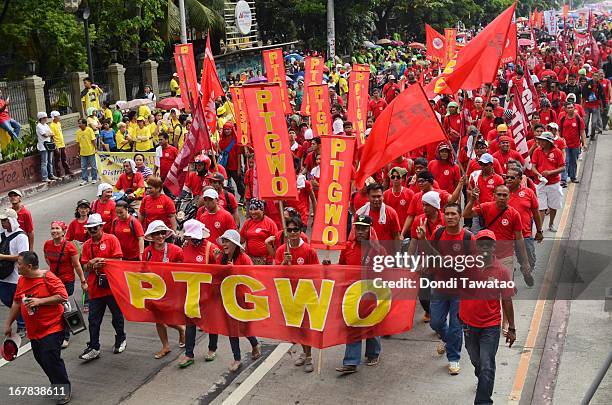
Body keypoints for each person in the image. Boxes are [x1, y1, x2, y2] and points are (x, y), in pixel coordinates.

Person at [3, 252, 71, 405]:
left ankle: (63, 390)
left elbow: (62, 296)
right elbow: (17, 303)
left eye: (19, 263)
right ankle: (56, 384)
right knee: (41, 360)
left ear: (29, 266)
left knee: (51, 359)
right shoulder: (21, 280)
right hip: (34, 331)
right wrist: (8, 323)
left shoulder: (48, 277)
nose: (17, 266)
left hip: (52, 327)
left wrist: (40, 301)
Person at [460, 230, 516, 405]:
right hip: (468, 324)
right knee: (475, 359)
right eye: (481, 244)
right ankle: (482, 378)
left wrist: (512, 328)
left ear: (494, 247)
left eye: (488, 244)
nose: (485, 247)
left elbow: (507, 300)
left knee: (487, 365)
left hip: (490, 326)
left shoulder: (502, 272)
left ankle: (483, 401)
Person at [336, 215, 384, 374]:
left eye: (364, 228)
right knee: (353, 325)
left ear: (370, 229)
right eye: (358, 228)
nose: (360, 231)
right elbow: (341, 268)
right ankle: (351, 362)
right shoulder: (347, 247)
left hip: (371, 295)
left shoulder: (378, 250)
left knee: (371, 325)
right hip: (352, 295)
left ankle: (373, 353)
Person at [464, 184, 533, 287]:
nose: (502, 197)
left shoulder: (514, 214)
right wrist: (472, 200)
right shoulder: (486, 206)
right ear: (494, 195)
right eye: (499, 194)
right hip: (488, 257)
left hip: (506, 257)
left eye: (505, 195)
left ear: (509, 196)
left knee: (505, 290)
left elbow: (519, 238)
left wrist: (525, 261)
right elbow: (466, 214)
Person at [274, 216, 319, 373]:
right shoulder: (281, 251)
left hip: (304, 293)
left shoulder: (309, 250)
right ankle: (304, 352)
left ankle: (309, 357)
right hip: (288, 294)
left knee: (305, 327)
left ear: (301, 232)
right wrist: (283, 263)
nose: (292, 233)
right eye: (289, 230)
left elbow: (316, 272)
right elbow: (276, 273)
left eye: (295, 230)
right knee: (297, 327)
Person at [79, 213, 126, 361]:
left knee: (117, 316)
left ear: (101, 227)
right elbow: (85, 266)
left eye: (95, 228)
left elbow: (119, 260)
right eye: (90, 228)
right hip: (95, 288)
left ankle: (120, 338)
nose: (92, 231)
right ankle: (94, 346)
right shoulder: (87, 245)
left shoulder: (112, 239)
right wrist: (92, 264)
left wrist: (102, 261)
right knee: (93, 319)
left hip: (112, 287)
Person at [215, 229, 261, 372]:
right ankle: (237, 358)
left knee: (244, 326)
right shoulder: (220, 258)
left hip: (242, 298)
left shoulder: (244, 259)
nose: (224, 244)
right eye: (223, 241)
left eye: (227, 241)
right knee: (231, 329)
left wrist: (234, 271)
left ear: (234, 244)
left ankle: (254, 343)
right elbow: (216, 276)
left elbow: (251, 278)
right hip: (227, 298)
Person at [177, 219, 220, 368]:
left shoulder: (211, 248)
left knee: (211, 323)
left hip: (208, 293)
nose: (192, 240)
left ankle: (212, 349)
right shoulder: (185, 247)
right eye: (190, 237)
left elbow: (221, 268)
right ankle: (189, 354)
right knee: (190, 324)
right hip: (191, 292)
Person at [143, 220, 185, 359]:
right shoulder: (148, 252)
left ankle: (181, 329)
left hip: (171, 291)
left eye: (162, 233)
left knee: (167, 317)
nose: (160, 236)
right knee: (158, 319)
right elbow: (144, 270)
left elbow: (184, 270)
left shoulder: (176, 250)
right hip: (155, 290)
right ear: (152, 236)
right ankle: (165, 346)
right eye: (156, 234)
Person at [44, 221, 87, 348]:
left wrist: (83, 281)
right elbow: (47, 258)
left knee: (64, 308)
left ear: (63, 231)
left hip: (67, 281)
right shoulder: (47, 244)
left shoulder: (69, 246)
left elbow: (77, 265)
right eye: (52, 228)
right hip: (53, 281)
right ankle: (57, 331)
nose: (54, 231)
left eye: (57, 228)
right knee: (55, 308)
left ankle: (66, 336)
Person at [506, 166, 543, 276]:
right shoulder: (502, 193)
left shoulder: (528, 193)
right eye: (507, 177)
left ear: (520, 178)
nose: (508, 179)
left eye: (512, 178)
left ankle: (527, 270)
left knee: (529, 259)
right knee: (508, 263)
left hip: (525, 234)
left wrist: (539, 231)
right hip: (507, 235)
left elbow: (536, 213)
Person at [0, 208, 29, 336]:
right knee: (6, 299)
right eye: (1, 221)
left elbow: (22, 256)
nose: (2, 223)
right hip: (3, 274)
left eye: (5, 220)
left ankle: (22, 325)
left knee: (17, 301)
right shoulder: (2, 234)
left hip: (16, 276)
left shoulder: (21, 236)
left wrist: (3, 257)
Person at [530, 132, 565, 232]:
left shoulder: (557, 152)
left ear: (548, 142)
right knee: (541, 207)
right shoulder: (537, 151)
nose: (540, 142)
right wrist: (538, 174)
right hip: (540, 184)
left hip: (554, 183)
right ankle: (539, 229)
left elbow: (562, 167)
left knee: (554, 206)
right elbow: (533, 167)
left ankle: (551, 223)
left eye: (542, 140)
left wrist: (550, 172)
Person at [240, 199, 278, 264]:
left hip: (266, 260)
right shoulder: (247, 223)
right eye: (251, 209)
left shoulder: (270, 223)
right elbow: (241, 240)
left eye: (256, 209)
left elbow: (276, 242)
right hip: (250, 259)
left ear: (262, 210)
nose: (253, 212)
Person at [559, 101, 587, 183]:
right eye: (568, 108)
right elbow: (559, 130)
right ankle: (563, 179)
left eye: (572, 107)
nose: (570, 109)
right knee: (565, 161)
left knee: (573, 161)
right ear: (566, 109)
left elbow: (582, 131)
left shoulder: (578, 119)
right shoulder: (563, 118)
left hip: (575, 145)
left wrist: (584, 143)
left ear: (574, 108)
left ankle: (573, 177)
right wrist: (559, 140)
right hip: (565, 145)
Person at [36, 111, 58, 183]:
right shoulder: (39, 126)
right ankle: (45, 177)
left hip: (49, 145)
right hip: (43, 146)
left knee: (50, 161)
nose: (46, 119)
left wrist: (49, 134)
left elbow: (52, 133)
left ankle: (51, 175)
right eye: (45, 118)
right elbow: (45, 135)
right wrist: (49, 134)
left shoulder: (46, 125)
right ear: (41, 118)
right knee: (44, 162)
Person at [49, 111, 72, 177]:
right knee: (57, 159)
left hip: (62, 143)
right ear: (54, 117)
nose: (59, 117)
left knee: (64, 158)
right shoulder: (52, 125)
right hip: (57, 144)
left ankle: (67, 171)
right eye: (57, 116)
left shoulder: (59, 123)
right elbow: (52, 137)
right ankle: (59, 173)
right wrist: (55, 145)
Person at [75, 118, 98, 185]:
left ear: (84, 124)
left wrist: (96, 148)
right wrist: (78, 151)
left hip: (91, 151)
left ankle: (94, 178)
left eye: (80, 123)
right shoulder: (78, 132)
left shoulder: (89, 130)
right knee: (83, 167)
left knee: (93, 166)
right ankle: (85, 179)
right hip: (83, 152)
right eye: (78, 123)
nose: (79, 124)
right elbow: (78, 143)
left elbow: (93, 140)